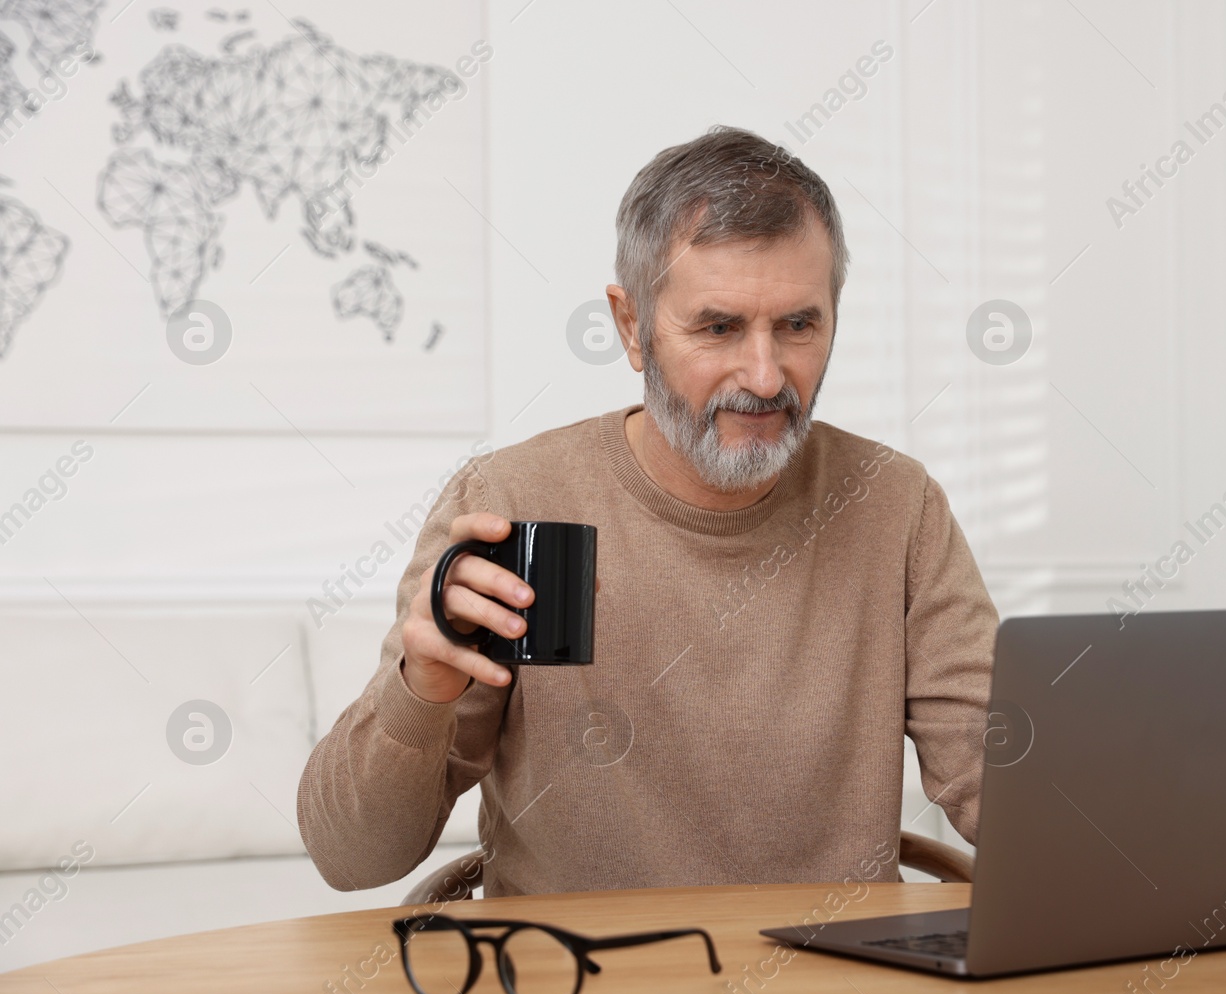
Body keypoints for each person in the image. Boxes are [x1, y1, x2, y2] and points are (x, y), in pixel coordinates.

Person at [296, 125, 999, 896]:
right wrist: (419, 684)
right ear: (631, 325)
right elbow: (350, 857)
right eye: (718, 327)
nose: (765, 377)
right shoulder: (512, 503)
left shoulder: (896, 507)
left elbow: (1004, 781)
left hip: (832, 993)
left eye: (799, 325)